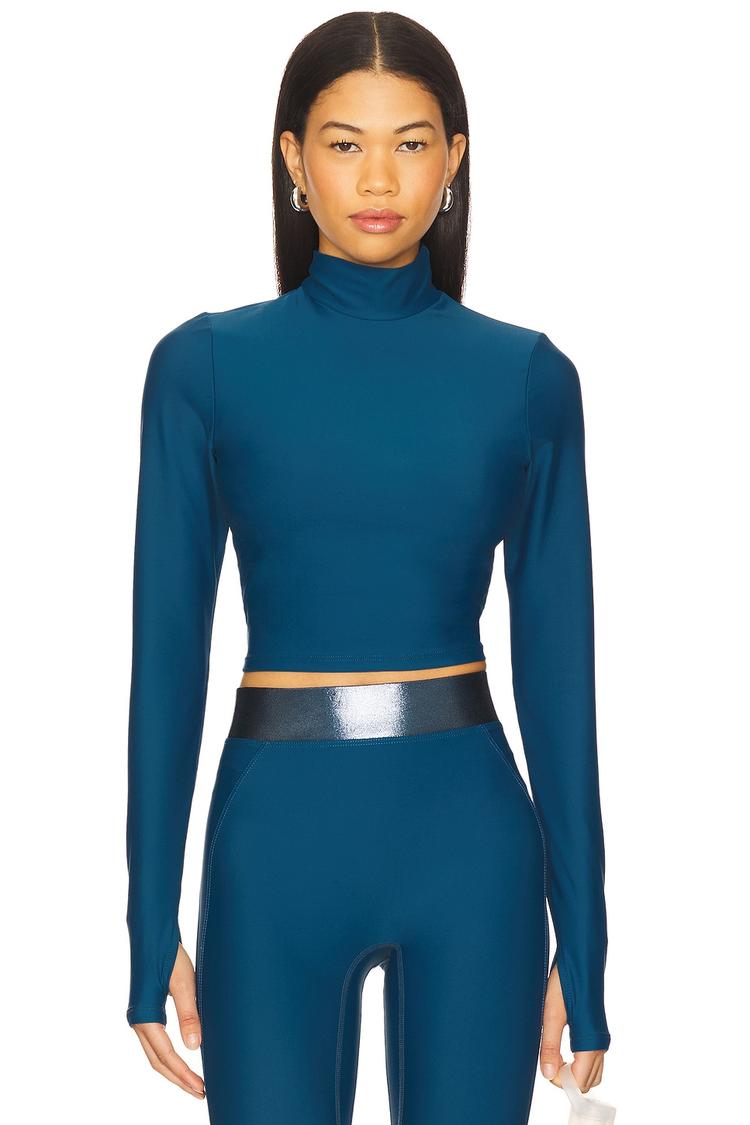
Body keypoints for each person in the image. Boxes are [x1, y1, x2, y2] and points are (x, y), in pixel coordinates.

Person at [125, 12, 612, 1124]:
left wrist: (584, 946)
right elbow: (166, 663)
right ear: (293, 159)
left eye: (412, 142)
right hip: (274, 848)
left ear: (455, 158)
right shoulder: (202, 369)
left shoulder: (529, 379)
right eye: (345, 143)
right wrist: (151, 925)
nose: (380, 178)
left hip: (472, 845)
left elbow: (560, 679)